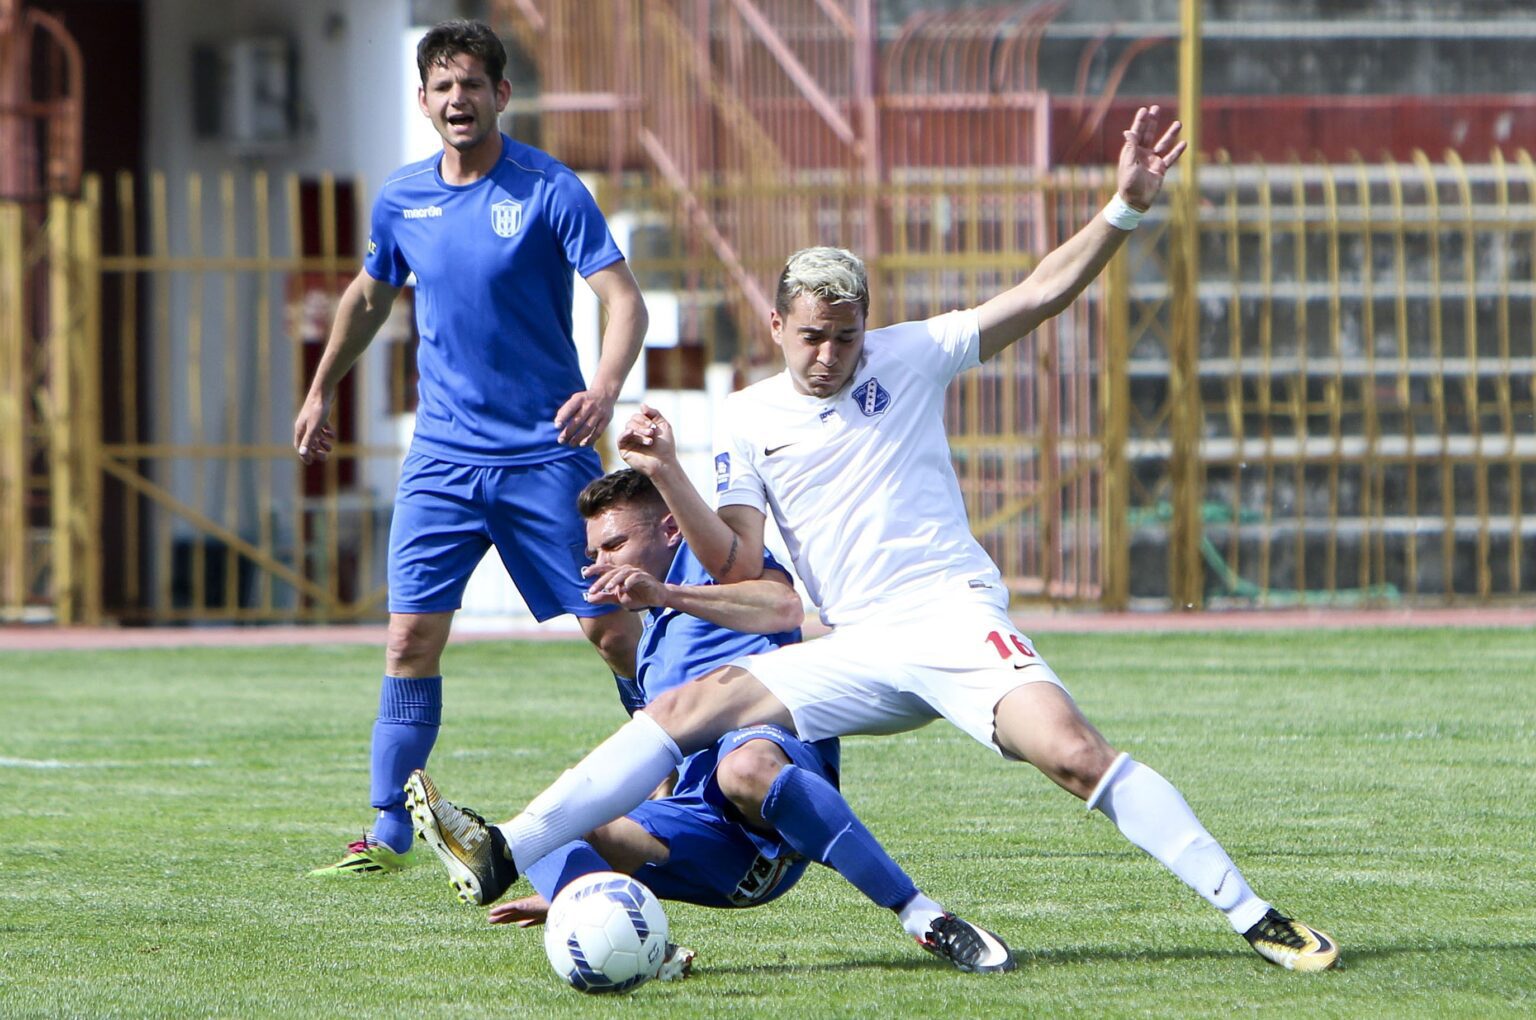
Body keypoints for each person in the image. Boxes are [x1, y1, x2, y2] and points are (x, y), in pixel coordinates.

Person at [405, 106, 1340, 972]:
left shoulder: (913, 353)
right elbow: (737, 561)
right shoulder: (746, 417)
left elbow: (1039, 294)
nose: (830, 356)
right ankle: (506, 848)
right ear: (777, 324)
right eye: (813, 336)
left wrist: (1124, 208)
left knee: (1072, 753)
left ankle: (1252, 912)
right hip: (854, 643)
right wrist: (668, 471)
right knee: (695, 703)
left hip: (950, 618)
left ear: (866, 328)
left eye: (846, 338)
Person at [407, 468, 1016, 974]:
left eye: (614, 546)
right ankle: (645, 950)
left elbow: (783, 606)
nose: (597, 565)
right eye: (592, 554)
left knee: (742, 766)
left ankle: (923, 916)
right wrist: (580, 892)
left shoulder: (719, 567)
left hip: (768, 793)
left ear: (669, 528)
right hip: (716, 847)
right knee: (565, 827)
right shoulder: (650, 648)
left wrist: (666, 592)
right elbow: (654, 762)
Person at [297, 18, 646, 876]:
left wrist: (603, 389)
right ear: (423, 100)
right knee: (409, 639)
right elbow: (369, 297)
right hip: (443, 462)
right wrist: (321, 387)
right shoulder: (401, 199)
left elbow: (623, 299)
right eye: (443, 86)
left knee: (613, 631)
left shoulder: (549, 188)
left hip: (545, 457)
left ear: (502, 95)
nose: (459, 99)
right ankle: (389, 827)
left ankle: (687, 762)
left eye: (473, 85)